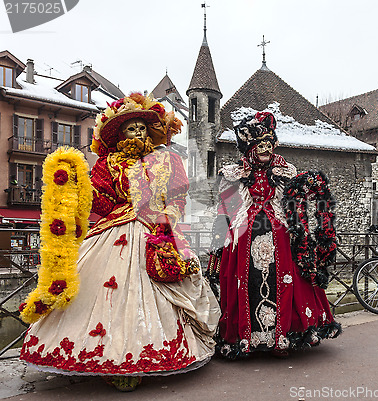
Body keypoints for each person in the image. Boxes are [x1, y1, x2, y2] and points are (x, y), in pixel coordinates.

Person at [20, 93, 220, 391]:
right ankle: (101, 357)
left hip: (154, 230)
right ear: (120, 134)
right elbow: (100, 203)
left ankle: (140, 359)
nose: (138, 133)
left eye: (142, 128)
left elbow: (178, 197)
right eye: (131, 129)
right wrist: (79, 186)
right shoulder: (107, 163)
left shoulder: (167, 160)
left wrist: (166, 222)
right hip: (114, 230)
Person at [208, 111, 341, 359]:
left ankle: (283, 337)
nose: (265, 149)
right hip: (243, 235)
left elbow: (293, 204)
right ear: (250, 148)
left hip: (280, 233)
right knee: (246, 282)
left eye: (269, 144)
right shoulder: (233, 173)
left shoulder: (285, 172)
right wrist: (219, 243)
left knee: (286, 279)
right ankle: (245, 338)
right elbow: (224, 210)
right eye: (260, 144)